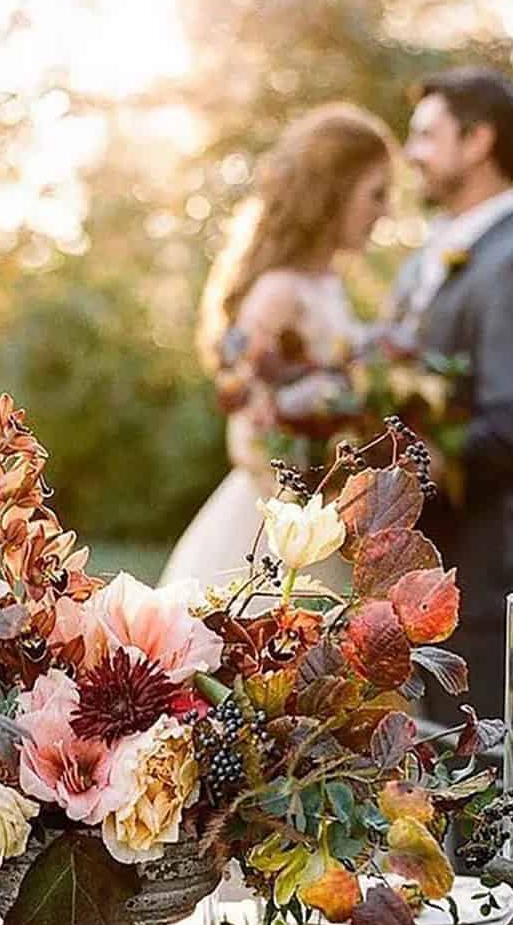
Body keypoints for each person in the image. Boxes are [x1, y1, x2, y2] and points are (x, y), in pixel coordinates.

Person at [391, 67, 513, 722]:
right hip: (405, 572)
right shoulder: (424, 259)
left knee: (468, 782)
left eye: (426, 135)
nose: (410, 152)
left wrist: (398, 466)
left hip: (477, 578)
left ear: (476, 142)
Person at [160, 103, 394, 588]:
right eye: (376, 194)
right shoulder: (279, 292)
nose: (384, 210)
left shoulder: (327, 282)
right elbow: (245, 435)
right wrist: (302, 522)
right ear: (333, 193)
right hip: (274, 526)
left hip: (321, 513)